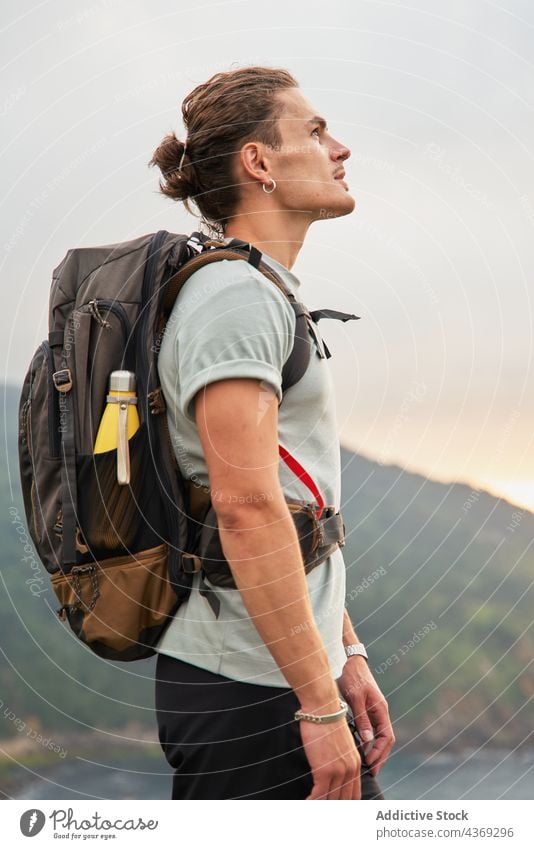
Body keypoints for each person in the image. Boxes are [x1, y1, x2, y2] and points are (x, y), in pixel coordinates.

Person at [148, 65, 395, 800]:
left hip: (280, 676)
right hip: (249, 696)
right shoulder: (233, 298)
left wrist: (343, 652)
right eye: (315, 132)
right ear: (258, 162)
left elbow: (296, 503)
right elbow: (247, 507)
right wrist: (315, 705)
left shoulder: (261, 290)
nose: (340, 147)